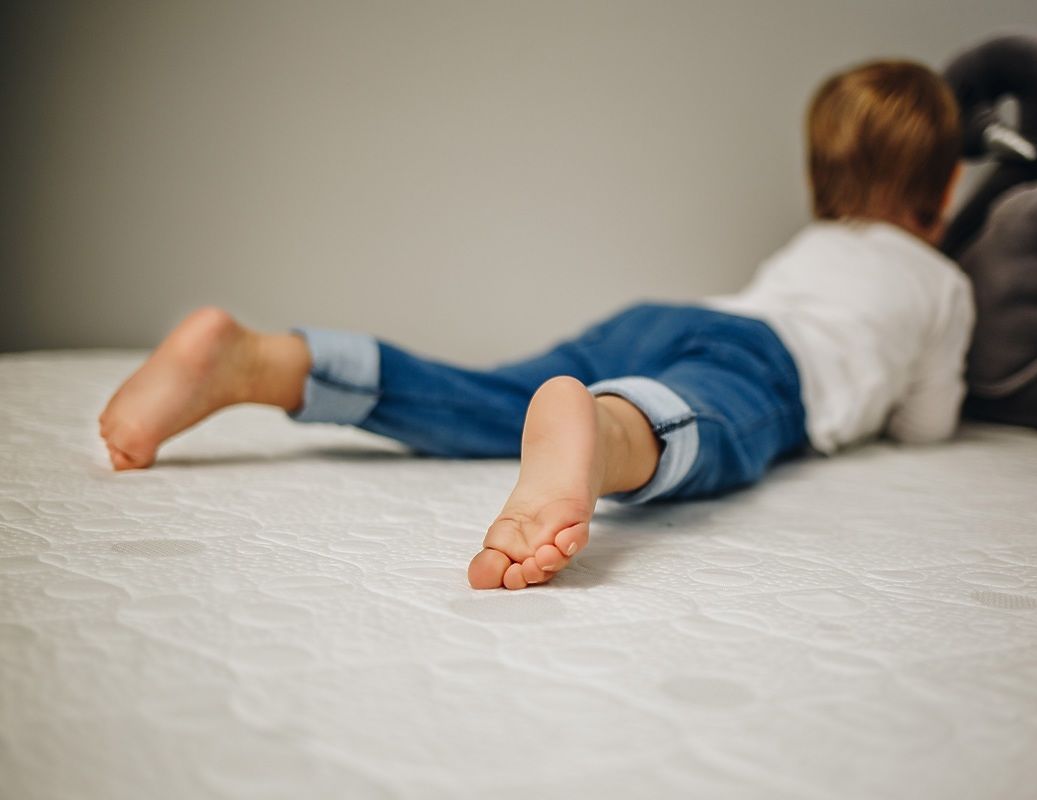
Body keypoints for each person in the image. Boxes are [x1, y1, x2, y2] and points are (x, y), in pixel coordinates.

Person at [99, 59, 973, 591]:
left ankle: (263, 359)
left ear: (822, 177)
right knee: (704, 422)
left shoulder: (815, 242)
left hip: (663, 319)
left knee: (482, 398)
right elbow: (927, 422)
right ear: (945, 189)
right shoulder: (942, 284)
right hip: (770, 362)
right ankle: (602, 426)